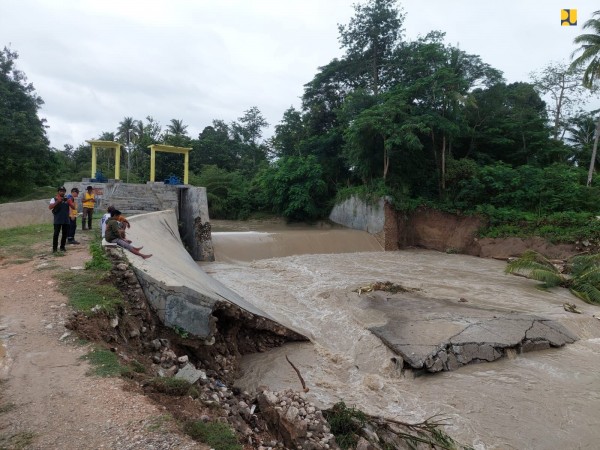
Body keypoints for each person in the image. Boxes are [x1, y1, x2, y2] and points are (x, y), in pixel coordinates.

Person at [48, 186, 70, 252]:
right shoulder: (54, 199)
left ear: (65, 192)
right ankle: (54, 249)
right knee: (56, 234)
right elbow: (50, 207)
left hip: (66, 220)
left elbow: (72, 207)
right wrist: (58, 201)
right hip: (57, 220)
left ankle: (62, 247)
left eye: (63, 191)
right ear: (58, 192)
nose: (62, 192)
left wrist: (69, 201)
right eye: (60, 191)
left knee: (64, 234)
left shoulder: (67, 199)